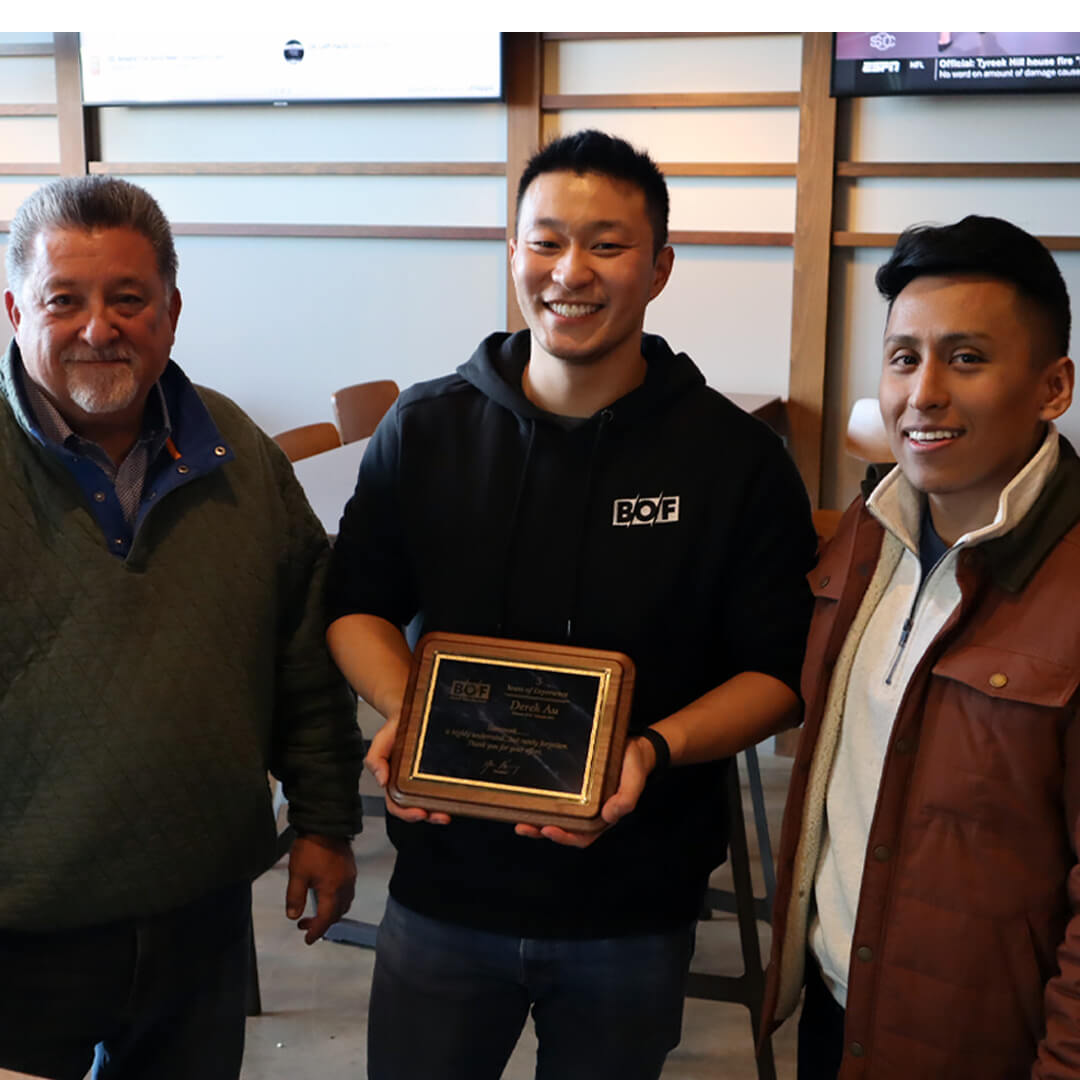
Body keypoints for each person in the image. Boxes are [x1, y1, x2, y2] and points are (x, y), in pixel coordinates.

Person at [325, 129, 816, 1080]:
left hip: (631, 904)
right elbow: (358, 605)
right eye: (544, 241)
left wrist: (650, 749)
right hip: (441, 894)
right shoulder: (425, 430)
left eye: (607, 244)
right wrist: (405, 709)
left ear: (661, 267)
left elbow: (780, 671)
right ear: (512, 254)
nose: (570, 272)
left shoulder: (733, 460)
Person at [0, 175, 364, 1080]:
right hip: (17, 925)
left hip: (199, 906)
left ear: (170, 310)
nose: (98, 327)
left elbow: (304, 660)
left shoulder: (237, 454)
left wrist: (325, 821)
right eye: (64, 300)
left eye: (129, 299)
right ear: (14, 308)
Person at [762, 215, 1079, 1079]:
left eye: (966, 359)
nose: (923, 393)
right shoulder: (866, 534)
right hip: (836, 1012)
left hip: (986, 1047)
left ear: (1054, 386)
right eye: (904, 358)